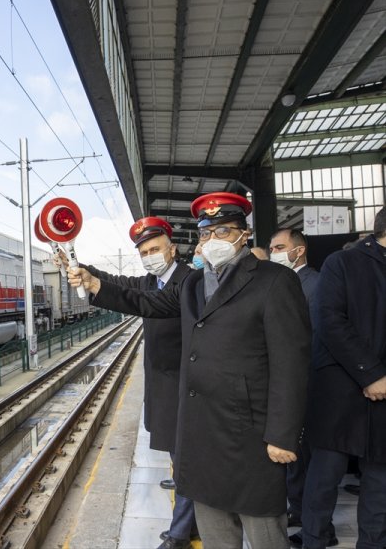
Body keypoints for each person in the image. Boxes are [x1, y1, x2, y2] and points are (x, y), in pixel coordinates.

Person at [69, 192, 310, 549]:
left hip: (251, 436)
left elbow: (292, 361)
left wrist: (283, 434)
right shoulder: (193, 284)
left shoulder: (273, 281)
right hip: (201, 432)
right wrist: (95, 285)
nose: (212, 241)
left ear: (244, 234)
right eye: (205, 233)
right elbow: (145, 301)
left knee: (264, 536)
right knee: (216, 534)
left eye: (223, 231)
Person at [82, 217, 197, 549]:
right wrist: (81, 267)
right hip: (162, 381)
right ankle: (189, 521)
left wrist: (94, 286)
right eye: (144, 251)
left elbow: (132, 300)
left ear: (172, 249)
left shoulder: (188, 281)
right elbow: (118, 282)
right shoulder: (152, 281)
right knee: (179, 457)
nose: (150, 256)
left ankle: (180, 534)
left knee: (187, 458)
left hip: (185, 383)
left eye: (155, 249)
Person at [301, 207, 386, 549]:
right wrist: (373, 374)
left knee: (380, 482)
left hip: (383, 394)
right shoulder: (343, 263)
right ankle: (315, 541)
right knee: (325, 477)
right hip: (341, 391)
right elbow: (330, 321)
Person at [268, 229, 334, 546]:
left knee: (308, 461)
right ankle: (300, 512)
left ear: (299, 250)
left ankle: (318, 528)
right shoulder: (287, 282)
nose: (274, 252)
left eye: (280, 247)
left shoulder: (314, 283)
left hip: (310, 384)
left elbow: (315, 338)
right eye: (271, 248)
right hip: (294, 384)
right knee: (295, 458)